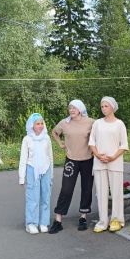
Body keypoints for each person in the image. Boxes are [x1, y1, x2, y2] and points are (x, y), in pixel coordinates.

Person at [49, 100, 94, 234]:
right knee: (66, 189)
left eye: (74, 108)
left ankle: (83, 218)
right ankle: (58, 220)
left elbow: (100, 133)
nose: (72, 110)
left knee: (87, 189)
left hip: (88, 160)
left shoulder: (91, 122)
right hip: (71, 160)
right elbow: (54, 132)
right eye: (70, 108)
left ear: (81, 109)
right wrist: (60, 144)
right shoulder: (64, 123)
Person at [88, 97, 129, 233]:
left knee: (116, 192)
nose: (103, 108)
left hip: (115, 162)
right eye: (102, 106)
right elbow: (92, 142)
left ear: (113, 107)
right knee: (101, 193)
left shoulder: (119, 124)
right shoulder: (97, 123)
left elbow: (123, 145)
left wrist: (112, 157)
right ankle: (103, 221)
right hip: (99, 162)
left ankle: (116, 219)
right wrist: (98, 155)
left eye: (106, 106)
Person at [19, 113, 53, 234]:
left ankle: (43, 222)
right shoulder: (27, 139)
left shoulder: (47, 138)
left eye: (41, 123)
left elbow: (50, 157)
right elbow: (23, 159)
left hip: (46, 169)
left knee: (45, 197)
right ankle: (31, 223)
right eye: (37, 124)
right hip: (32, 169)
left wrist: (51, 175)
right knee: (32, 198)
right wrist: (21, 178)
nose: (40, 126)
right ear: (31, 125)